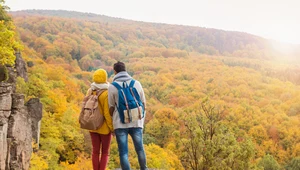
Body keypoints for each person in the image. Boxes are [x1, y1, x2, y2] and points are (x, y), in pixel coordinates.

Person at [108, 61, 148, 170]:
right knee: (140, 149)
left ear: (115, 71)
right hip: (136, 122)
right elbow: (144, 103)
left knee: (123, 152)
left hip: (120, 124)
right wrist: (140, 118)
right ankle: (144, 168)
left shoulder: (112, 87)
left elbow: (111, 107)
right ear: (125, 70)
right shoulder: (136, 83)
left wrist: (114, 118)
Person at [86, 69, 113, 170]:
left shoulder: (90, 90)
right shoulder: (106, 93)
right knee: (105, 152)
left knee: (95, 151)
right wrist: (112, 128)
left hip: (92, 125)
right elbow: (107, 113)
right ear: (105, 78)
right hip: (104, 128)